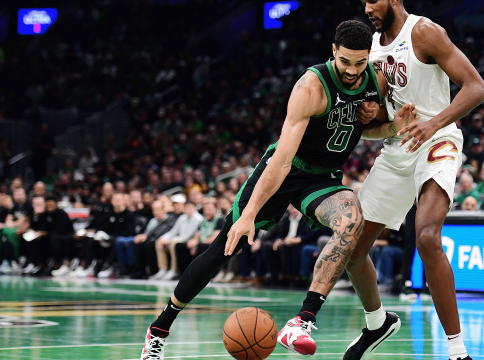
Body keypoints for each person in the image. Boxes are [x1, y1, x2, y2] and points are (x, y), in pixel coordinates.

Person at [140, 20, 416, 359]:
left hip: (322, 178)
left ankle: (303, 320)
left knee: (351, 221)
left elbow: (364, 132)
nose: (352, 70)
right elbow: (282, 161)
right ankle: (160, 328)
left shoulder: (376, 80)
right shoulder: (311, 87)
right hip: (285, 170)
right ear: (333, 52)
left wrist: (390, 125)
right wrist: (250, 216)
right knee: (225, 248)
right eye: (346, 62)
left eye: (360, 62)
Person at [349, 2, 484, 360]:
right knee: (351, 248)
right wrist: (371, 113)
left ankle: (457, 352)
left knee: (427, 237)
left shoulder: (424, 32)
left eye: (373, 0)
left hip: (437, 140)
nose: (367, 8)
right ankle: (377, 322)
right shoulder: (373, 47)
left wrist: (434, 123)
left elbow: (476, 88)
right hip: (398, 147)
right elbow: (378, 115)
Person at [150, 201, 203, 281]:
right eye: (186, 208)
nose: (188, 210)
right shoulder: (182, 218)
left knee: (173, 243)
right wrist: (163, 238)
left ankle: (174, 270)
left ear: (194, 208)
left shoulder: (198, 219)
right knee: (159, 241)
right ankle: (162, 269)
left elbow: (188, 235)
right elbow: (173, 231)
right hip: (178, 239)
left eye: (190, 208)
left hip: (189, 242)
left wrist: (170, 240)